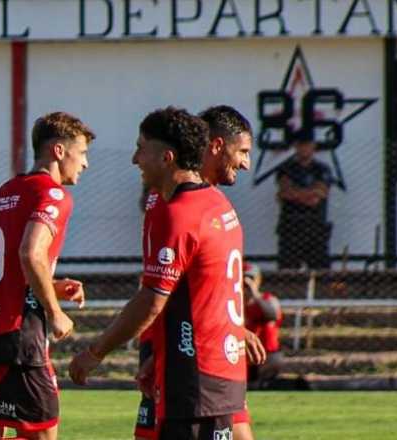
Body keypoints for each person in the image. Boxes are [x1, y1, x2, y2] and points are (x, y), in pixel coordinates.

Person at [69, 107, 261, 440]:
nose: (134, 159)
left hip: (193, 369)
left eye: (141, 149)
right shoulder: (218, 205)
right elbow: (199, 290)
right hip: (209, 364)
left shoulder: (179, 214)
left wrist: (95, 352)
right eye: (242, 152)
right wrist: (157, 355)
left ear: (166, 157)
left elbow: (152, 299)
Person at [0, 111, 93, 440]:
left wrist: (52, 288)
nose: (85, 163)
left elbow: (4, 269)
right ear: (59, 151)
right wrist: (54, 312)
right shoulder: (54, 195)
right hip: (15, 336)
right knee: (42, 433)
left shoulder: (6, 190)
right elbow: (30, 253)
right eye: (83, 153)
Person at [133, 105, 264, 440]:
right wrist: (154, 352)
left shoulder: (204, 202)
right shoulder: (172, 201)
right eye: (243, 152)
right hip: (187, 354)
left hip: (205, 353)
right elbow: (157, 284)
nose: (246, 163)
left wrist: (231, 327)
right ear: (217, 146)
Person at [275, 132, 335, 270]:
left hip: (315, 227)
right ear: (296, 147)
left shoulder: (321, 169)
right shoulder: (286, 169)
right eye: (301, 146)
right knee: (288, 271)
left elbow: (317, 197)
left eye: (307, 145)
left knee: (321, 272)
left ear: (313, 146)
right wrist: (308, 193)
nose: (304, 149)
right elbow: (284, 192)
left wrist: (295, 194)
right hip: (291, 227)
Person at [243, 263, 284, 389]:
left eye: (251, 278)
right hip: (241, 355)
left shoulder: (268, 299)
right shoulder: (233, 302)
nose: (246, 283)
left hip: (266, 355)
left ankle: (263, 383)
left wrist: (255, 294)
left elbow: (273, 314)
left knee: (275, 359)